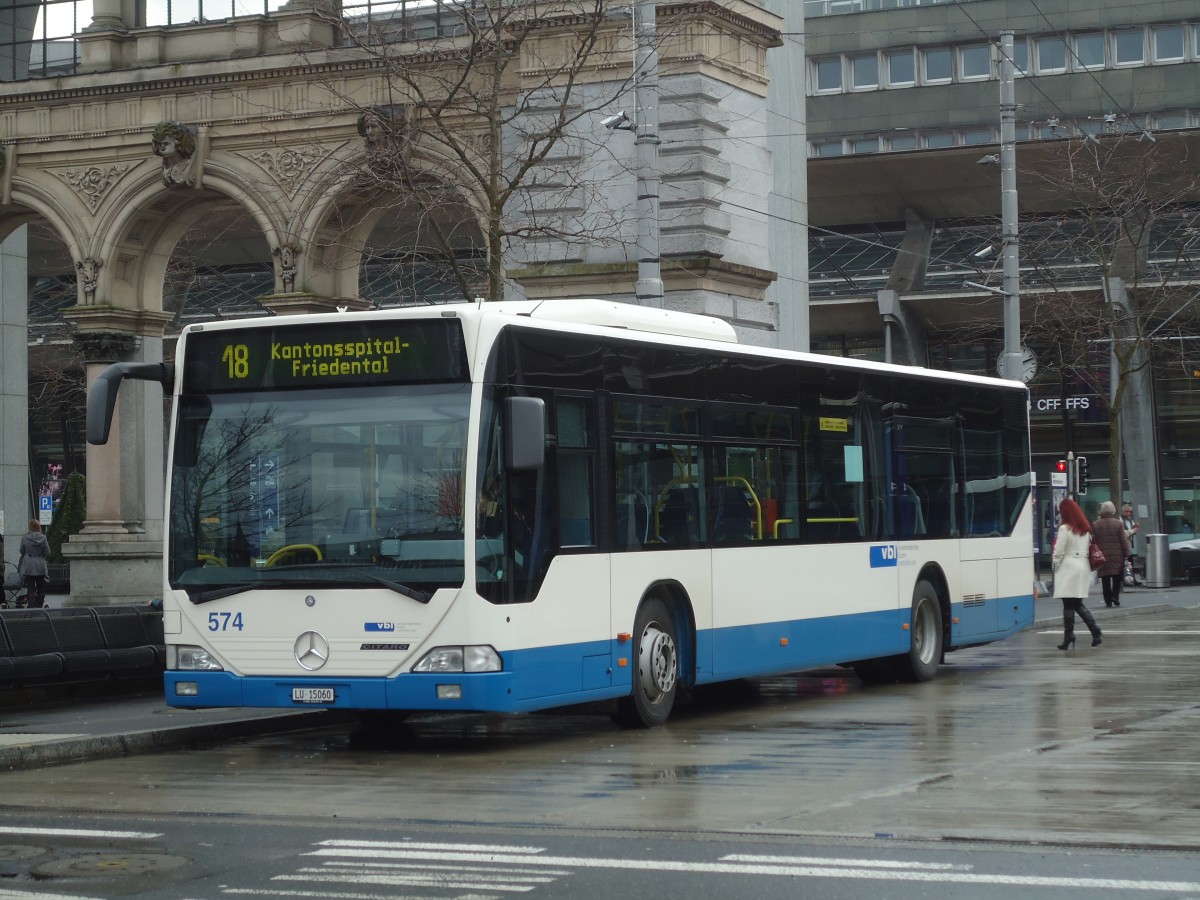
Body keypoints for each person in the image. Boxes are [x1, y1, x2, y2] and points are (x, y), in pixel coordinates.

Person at [1052, 498, 1102, 650]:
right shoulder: (1085, 528)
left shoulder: (1064, 529)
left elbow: (1059, 551)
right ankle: (1069, 636)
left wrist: (1055, 565)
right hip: (1082, 566)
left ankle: (1093, 630)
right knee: (1071, 602)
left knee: (1073, 603)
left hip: (1068, 566)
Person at [1093, 501, 1132, 608]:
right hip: (1117, 555)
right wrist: (1127, 553)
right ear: (1113, 510)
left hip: (1102, 555)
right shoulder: (1118, 523)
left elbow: (1093, 541)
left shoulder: (1096, 524)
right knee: (1117, 577)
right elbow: (1123, 539)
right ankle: (1115, 596)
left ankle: (1107, 600)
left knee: (1105, 579)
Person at [18, 519, 50, 609]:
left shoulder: (25, 538)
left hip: (29, 565)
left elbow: (21, 551)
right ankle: (39, 606)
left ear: (30, 527)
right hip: (40, 565)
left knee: (30, 588)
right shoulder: (43, 538)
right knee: (41, 587)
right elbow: (48, 553)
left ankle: (31, 607)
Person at [1121, 503, 1141, 586]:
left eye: (1130, 512)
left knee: (1130, 562)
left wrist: (1135, 527)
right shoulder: (1120, 520)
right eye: (1127, 511)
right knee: (1126, 562)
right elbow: (1123, 533)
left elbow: (1132, 529)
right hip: (1124, 544)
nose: (1128, 513)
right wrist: (1133, 531)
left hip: (1128, 544)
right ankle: (1126, 579)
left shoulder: (1129, 520)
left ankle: (1132, 578)